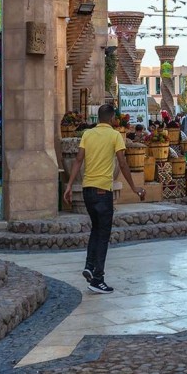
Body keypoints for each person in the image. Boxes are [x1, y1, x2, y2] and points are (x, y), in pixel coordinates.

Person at [63, 104, 144, 294]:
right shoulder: (115, 135)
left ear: (98, 118)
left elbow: (78, 160)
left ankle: (89, 266)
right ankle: (97, 279)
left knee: (96, 229)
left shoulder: (88, 135)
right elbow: (122, 163)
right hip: (102, 191)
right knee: (103, 234)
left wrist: (69, 185)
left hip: (87, 190)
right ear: (112, 118)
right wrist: (134, 188)